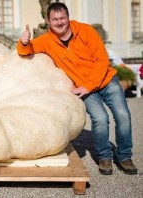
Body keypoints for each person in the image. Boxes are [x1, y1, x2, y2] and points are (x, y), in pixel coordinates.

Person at [17, 2, 137, 175]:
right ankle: (104, 157)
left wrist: (88, 86)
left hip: (105, 81)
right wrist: (24, 41)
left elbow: (102, 60)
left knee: (123, 115)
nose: (59, 22)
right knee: (100, 119)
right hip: (83, 87)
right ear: (49, 22)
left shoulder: (86, 31)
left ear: (68, 17)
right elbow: (26, 50)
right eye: (55, 19)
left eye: (62, 18)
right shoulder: (47, 40)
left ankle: (124, 156)